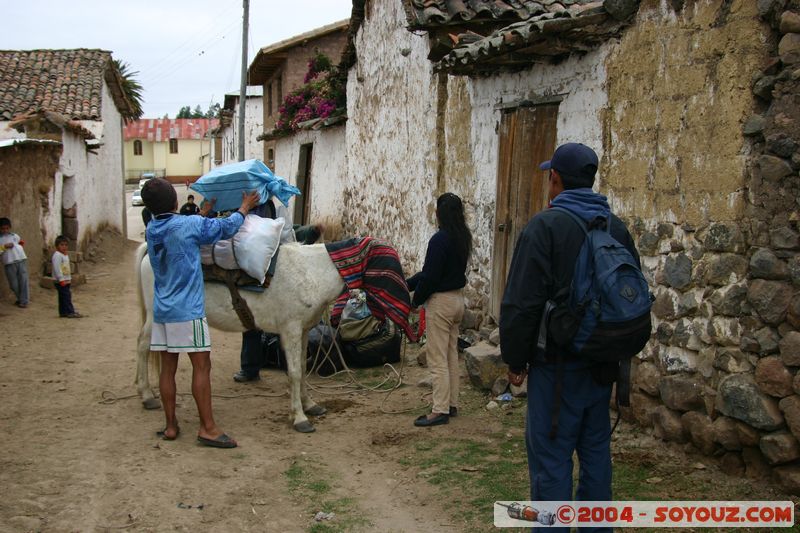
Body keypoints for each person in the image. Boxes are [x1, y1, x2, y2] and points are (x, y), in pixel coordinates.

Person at [499, 143, 640, 522]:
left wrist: (515, 360)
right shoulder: (616, 227)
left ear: (555, 179)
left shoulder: (544, 226)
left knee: (551, 461)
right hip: (602, 366)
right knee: (596, 457)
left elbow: (521, 303)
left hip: (556, 370)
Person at [141, 177, 259, 448]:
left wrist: (203, 212)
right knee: (201, 366)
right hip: (188, 311)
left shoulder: (152, 228)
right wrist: (244, 207)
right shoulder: (189, 225)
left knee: (167, 370)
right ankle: (208, 428)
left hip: (163, 310)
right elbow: (226, 227)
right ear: (174, 201)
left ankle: (171, 426)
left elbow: (181, 229)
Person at [406, 192, 472, 427]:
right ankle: (451, 403)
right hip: (457, 301)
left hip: (441, 303)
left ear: (439, 213)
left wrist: (415, 300)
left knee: (436, 357)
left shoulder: (439, 240)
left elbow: (431, 277)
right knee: (450, 354)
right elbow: (431, 274)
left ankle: (439, 410)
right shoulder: (462, 237)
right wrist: (409, 284)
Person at [0, 217, 29, 308]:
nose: (5, 230)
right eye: (3, 228)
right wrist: (4, 247)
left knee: (23, 280)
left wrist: (19, 246)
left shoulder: (14, 236)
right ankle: (20, 298)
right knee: (13, 284)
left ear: (10, 227)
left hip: (21, 259)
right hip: (9, 263)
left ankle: (24, 301)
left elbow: (20, 242)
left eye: (7, 228)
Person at [52, 235, 82, 318]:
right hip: (61, 281)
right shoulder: (57, 255)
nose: (64, 247)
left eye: (66, 245)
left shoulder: (64, 255)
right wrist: (61, 279)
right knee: (66, 296)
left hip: (66, 280)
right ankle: (70, 312)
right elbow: (57, 268)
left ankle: (63, 312)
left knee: (63, 297)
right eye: (62, 245)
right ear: (57, 246)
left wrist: (68, 278)